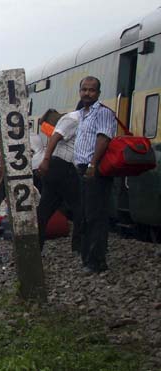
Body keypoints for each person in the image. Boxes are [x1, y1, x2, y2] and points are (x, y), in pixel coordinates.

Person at [73, 76, 117, 274]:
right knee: (85, 214)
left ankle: (97, 261)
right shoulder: (82, 114)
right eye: (84, 89)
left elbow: (103, 138)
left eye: (91, 90)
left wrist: (93, 164)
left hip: (95, 170)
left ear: (98, 93)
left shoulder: (103, 113)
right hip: (83, 168)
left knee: (95, 216)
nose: (87, 93)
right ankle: (87, 258)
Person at [37, 104, 82, 254]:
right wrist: (46, 160)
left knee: (44, 210)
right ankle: (79, 248)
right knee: (80, 208)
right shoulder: (74, 119)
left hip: (57, 167)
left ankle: (35, 247)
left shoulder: (74, 119)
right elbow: (55, 138)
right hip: (63, 167)